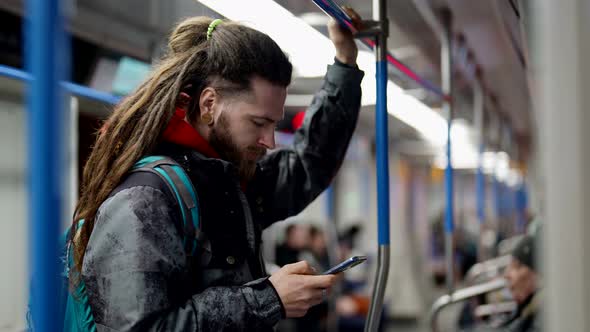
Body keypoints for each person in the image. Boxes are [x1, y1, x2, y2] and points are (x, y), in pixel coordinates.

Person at [72, 8, 364, 332]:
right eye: (258, 122)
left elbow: (309, 163)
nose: (269, 140)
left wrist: (345, 63)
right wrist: (269, 299)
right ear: (210, 104)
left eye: (274, 124)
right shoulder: (146, 200)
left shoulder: (228, 181)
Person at [463, 232, 541, 332]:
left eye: (517, 267)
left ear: (538, 276)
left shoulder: (544, 317)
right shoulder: (528, 307)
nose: (506, 274)